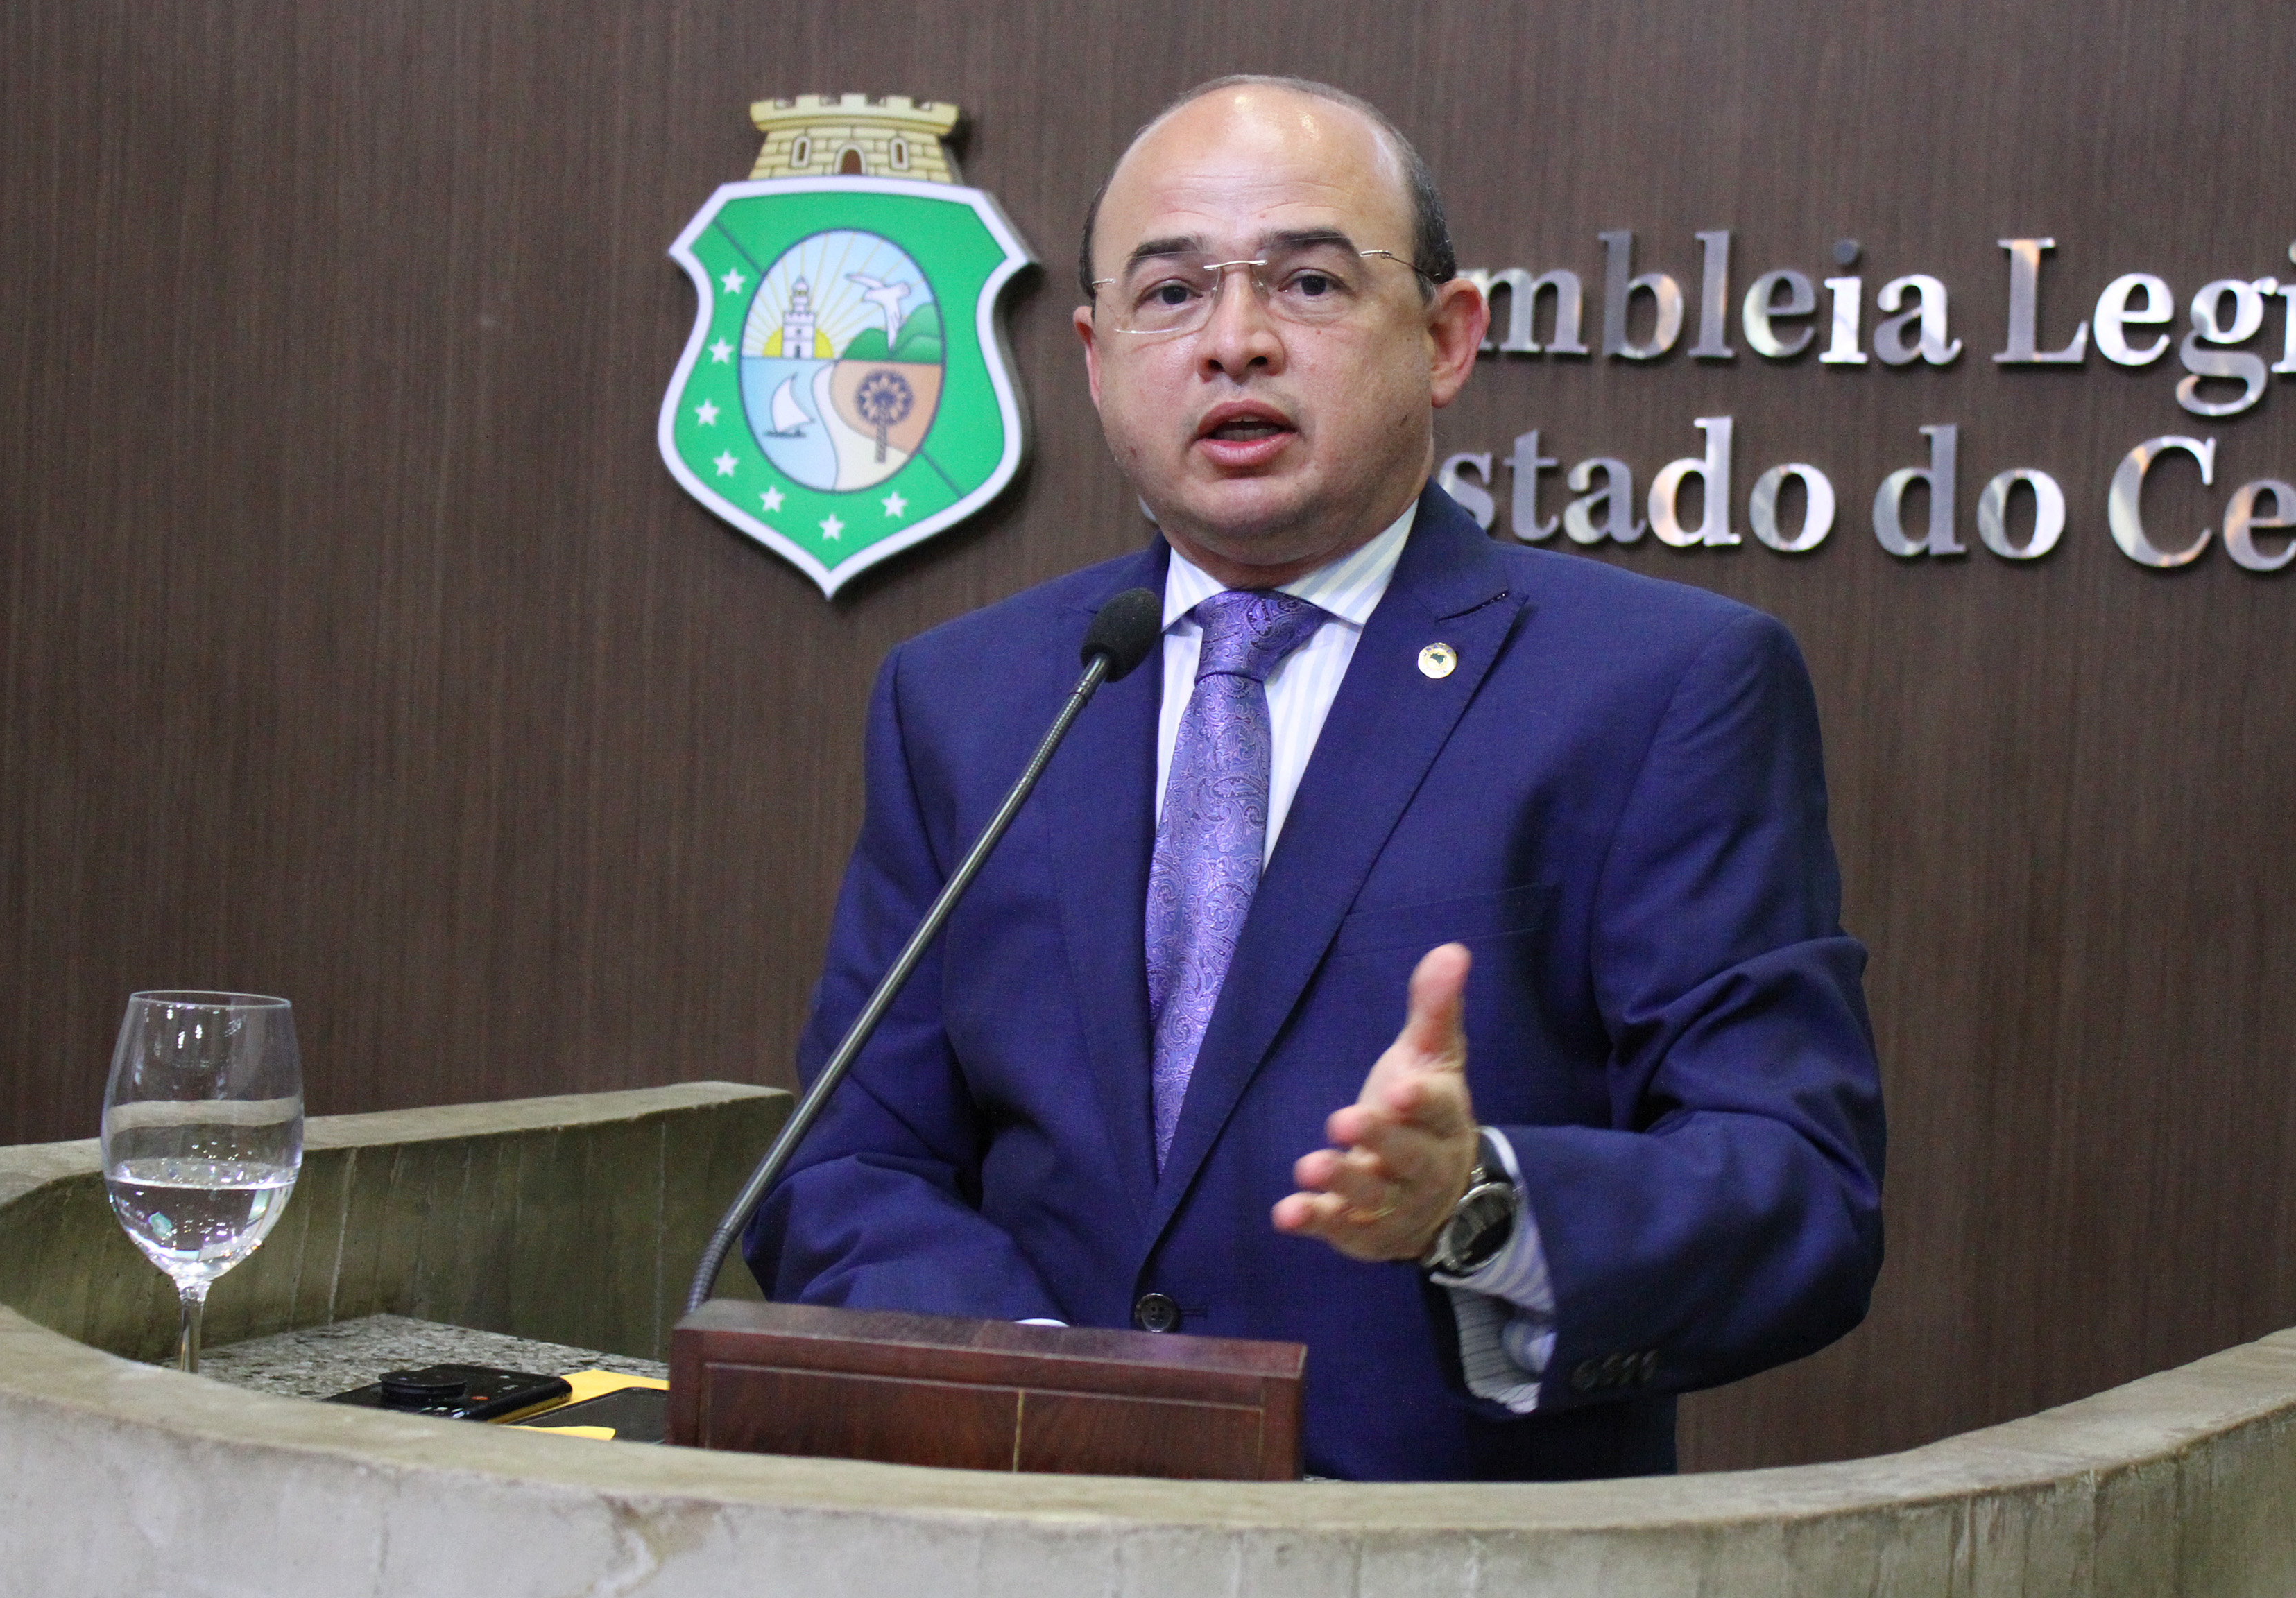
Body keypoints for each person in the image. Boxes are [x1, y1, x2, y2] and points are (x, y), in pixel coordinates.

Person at [745, 75, 1885, 1482]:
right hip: (1028, 1526)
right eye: (1172, 294)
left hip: (1435, 1553)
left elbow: (1800, 1191)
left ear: (1447, 338)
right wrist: (1046, 1386)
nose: (1235, 341)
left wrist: (1475, 1205)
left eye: (1310, 283)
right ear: (1097, 358)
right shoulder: (972, 699)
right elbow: (847, 1166)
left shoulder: (1661, 686)